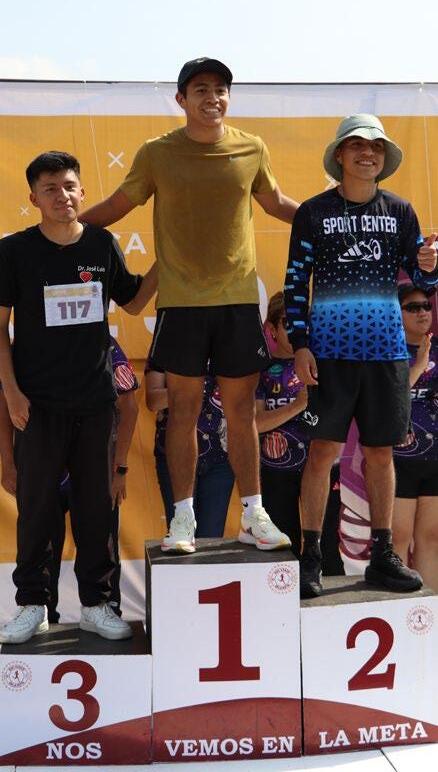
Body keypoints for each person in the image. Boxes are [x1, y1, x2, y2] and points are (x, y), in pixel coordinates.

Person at [79, 56, 299, 553]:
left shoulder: (251, 147)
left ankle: (253, 514)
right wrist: (58, 233)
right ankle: (183, 518)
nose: (212, 98)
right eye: (201, 89)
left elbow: (276, 203)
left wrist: (328, 218)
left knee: (239, 410)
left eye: (220, 89)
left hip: (237, 300)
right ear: (181, 99)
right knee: (183, 409)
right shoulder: (157, 153)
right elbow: (116, 206)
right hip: (181, 303)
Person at [0, 151, 156, 644]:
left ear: (82, 192)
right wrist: (12, 392)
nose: (62, 196)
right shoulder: (15, 251)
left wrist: (170, 259)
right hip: (37, 405)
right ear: (33, 198)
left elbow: (134, 301)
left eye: (69, 186)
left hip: (95, 403)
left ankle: (97, 604)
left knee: (96, 509)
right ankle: (32, 605)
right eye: (50, 188)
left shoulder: (102, 244)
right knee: (36, 510)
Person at [284, 113, 438, 597]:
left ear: (383, 158)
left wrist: (430, 265)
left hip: (387, 353)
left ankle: (383, 554)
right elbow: (295, 283)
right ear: (340, 155)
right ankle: (310, 555)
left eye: (375, 147)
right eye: (356, 145)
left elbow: (423, 280)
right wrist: (301, 345)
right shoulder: (313, 212)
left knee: (380, 452)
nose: (367, 153)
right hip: (329, 352)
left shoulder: (400, 211)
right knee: (322, 452)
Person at [0, 337, 139, 621]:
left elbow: (129, 405)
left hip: (92, 468)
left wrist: (120, 468)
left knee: (100, 537)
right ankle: (39, 612)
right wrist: (8, 465)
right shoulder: (25, 345)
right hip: (43, 471)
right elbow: (5, 403)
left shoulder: (101, 342)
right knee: (39, 541)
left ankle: (105, 608)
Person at [256, 291, 345, 574]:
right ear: (272, 328)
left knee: (327, 546)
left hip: (322, 468)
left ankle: (333, 602)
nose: (297, 330)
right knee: (284, 550)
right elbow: (254, 423)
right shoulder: (261, 370)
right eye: (287, 323)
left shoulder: (325, 364)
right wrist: (297, 406)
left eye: (305, 323)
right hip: (276, 470)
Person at [145, 367, 234, 549]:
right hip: (176, 458)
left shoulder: (227, 351)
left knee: (210, 541)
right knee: (181, 539)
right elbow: (153, 401)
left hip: (220, 458)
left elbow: (244, 398)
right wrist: (187, 389)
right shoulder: (166, 351)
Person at [392, 283, 438, 591]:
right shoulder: (387, 351)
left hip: (434, 458)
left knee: (431, 537)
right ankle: (397, 609)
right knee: (398, 537)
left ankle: (430, 611)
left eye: (426, 306)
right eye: (413, 307)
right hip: (398, 460)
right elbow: (389, 400)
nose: (422, 312)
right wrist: (419, 366)